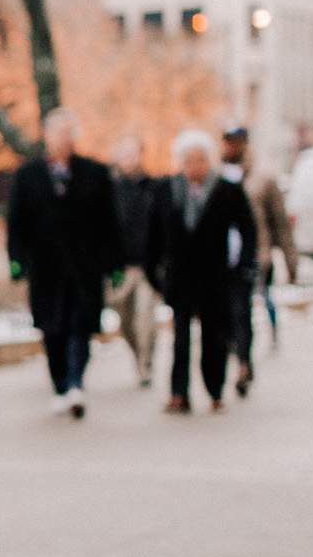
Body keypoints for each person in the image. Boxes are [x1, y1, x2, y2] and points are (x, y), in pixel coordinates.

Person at [4, 106, 121, 419]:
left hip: (85, 267)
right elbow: (17, 223)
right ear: (47, 136)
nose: (66, 139)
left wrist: (113, 262)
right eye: (60, 133)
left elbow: (109, 221)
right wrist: (17, 262)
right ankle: (59, 384)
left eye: (71, 133)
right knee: (52, 328)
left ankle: (75, 383)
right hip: (46, 269)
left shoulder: (95, 173)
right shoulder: (28, 177)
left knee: (81, 325)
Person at [148, 127, 257, 413]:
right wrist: (154, 273)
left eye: (200, 159)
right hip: (179, 278)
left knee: (214, 336)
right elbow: (154, 235)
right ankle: (178, 393)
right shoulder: (166, 190)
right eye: (189, 160)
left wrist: (243, 264)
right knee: (180, 340)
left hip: (215, 277)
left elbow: (248, 229)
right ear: (180, 162)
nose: (195, 166)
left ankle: (215, 389)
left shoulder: (226, 191)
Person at [108, 136, 162, 388]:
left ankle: (146, 365)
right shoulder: (110, 190)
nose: (130, 160)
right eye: (125, 154)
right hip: (122, 268)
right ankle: (137, 354)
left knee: (145, 319)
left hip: (148, 266)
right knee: (125, 321)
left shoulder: (156, 188)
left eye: (134, 154)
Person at [218, 126, 261, 395]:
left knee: (242, 314)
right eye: (228, 141)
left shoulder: (259, 178)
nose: (232, 146)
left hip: (249, 257)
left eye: (236, 141)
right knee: (225, 317)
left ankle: (243, 363)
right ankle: (239, 357)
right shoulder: (216, 175)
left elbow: (273, 222)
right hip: (221, 261)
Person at [245, 144, 298, 347]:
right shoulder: (222, 180)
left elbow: (281, 224)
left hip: (260, 252)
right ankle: (242, 345)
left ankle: (272, 331)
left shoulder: (264, 182)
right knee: (241, 303)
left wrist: (291, 261)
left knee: (265, 296)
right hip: (232, 256)